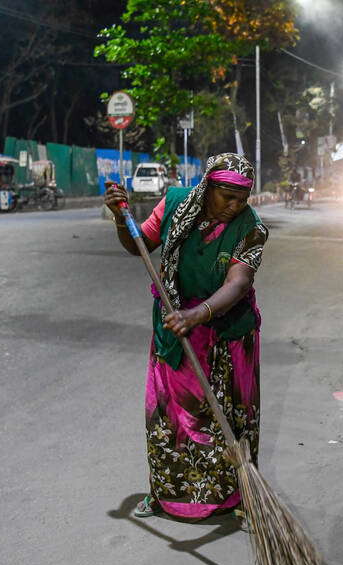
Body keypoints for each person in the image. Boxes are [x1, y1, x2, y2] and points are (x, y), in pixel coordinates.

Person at [104, 153, 268, 530]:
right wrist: (120, 217)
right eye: (227, 196)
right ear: (208, 187)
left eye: (242, 199)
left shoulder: (252, 227)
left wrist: (197, 315)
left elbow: (238, 282)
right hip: (174, 328)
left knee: (228, 417)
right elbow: (138, 244)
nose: (234, 206)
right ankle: (167, 494)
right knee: (170, 417)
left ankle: (237, 496)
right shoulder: (175, 203)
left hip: (227, 333)